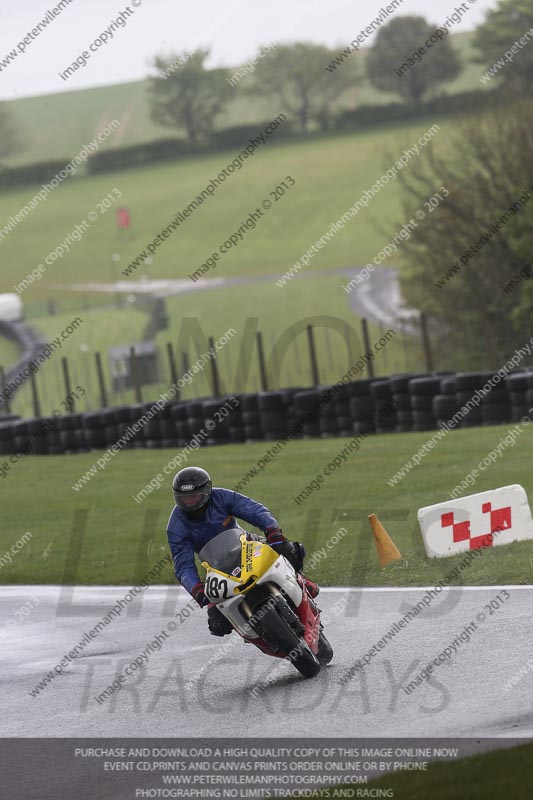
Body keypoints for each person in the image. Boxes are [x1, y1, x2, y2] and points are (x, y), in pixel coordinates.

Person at [166, 466, 319, 636]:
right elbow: (183, 565)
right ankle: (258, 634)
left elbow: (253, 509)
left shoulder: (222, 496)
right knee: (217, 624)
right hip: (217, 568)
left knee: (288, 549)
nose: (190, 502)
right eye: (185, 498)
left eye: (194, 496)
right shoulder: (176, 526)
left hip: (246, 545)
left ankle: (301, 582)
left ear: (207, 491)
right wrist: (196, 589)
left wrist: (272, 530)